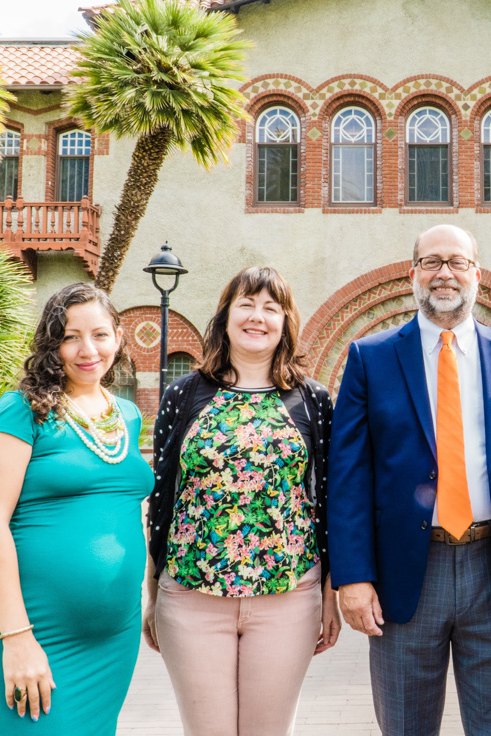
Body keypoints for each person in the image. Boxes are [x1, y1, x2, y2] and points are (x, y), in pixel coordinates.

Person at [328, 224, 491, 736]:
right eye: (431, 262)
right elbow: (348, 476)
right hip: (404, 573)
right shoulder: (371, 357)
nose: (444, 273)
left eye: (456, 262)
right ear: (413, 275)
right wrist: (354, 578)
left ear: (478, 274)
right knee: (406, 726)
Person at [144, 266, 340, 736]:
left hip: (288, 597)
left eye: (271, 307)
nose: (258, 316)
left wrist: (330, 594)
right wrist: (150, 592)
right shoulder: (184, 394)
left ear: (286, 322)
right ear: (226, 317)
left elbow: (331, 497)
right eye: (246, 304)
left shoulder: (312, 400)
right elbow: (162, 493)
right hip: (191, 597)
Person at [0, 283, 154, 734]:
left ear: (119, 337)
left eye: (100, 334)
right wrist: (17, 639)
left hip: (113, 641)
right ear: (52, 345)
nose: (87, 349)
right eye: (70, 336)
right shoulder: (20, 410)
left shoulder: (126, 414)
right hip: (32, 638)